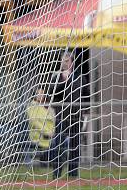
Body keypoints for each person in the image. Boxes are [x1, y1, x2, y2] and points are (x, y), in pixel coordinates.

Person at [48, 51, 89, 179]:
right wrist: (64, 81)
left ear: (72, 62)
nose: (64, 63)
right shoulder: (56, 78)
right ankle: (57, 174)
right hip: (61, 116)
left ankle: (73, 174)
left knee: (75, 146)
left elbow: (87, 96)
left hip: (76, 116)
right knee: (58, 145)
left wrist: (85, 111)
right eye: (62, 61)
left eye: (67, 61)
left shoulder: (80, 78)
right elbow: (52, 96)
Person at [26, 86, 54, 165]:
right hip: (38, 136)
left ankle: (51, 164)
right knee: (55, 144)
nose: (41, 96)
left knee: (64, 141)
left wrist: (53, 131)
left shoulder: (47, 106)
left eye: (42, 94)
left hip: (51, 135)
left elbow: (54, 120)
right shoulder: (32, 105)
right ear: (34, 95)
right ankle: (45, 164)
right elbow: (34, 122)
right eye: (39, 94)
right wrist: (46, 132)